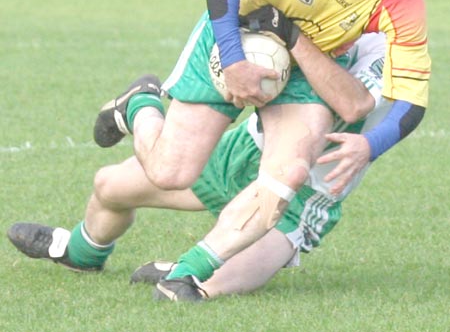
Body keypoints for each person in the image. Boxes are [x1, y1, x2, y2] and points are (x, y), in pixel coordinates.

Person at [88, 0, 435, 299]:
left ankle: (188, 273)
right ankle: (140, 105)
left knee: (287, 174)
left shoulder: (403, 0)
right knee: (169, 173)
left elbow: (413, 99)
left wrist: (370, 146)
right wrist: (233, 61)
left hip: (309, 66)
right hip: (233, 33)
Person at [8, 33, 388, 301]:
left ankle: (182, 269)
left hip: (302, 193)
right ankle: (81, 250)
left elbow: (353, 103)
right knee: (109, 186)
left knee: (204, 287)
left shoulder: (391, 48)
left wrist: (371, 142)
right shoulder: (313, 9)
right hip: (243, 150)